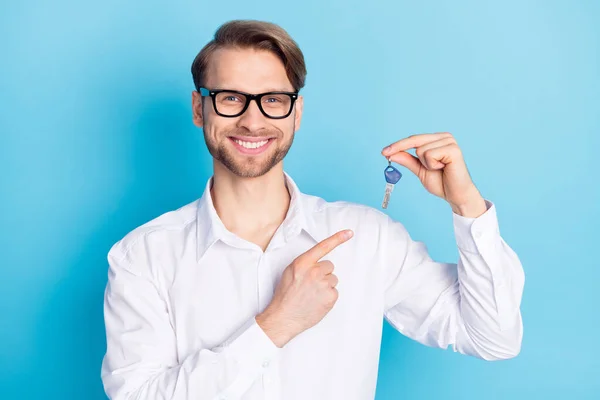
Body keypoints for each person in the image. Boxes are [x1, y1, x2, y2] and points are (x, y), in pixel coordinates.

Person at [100, 19, 525, 400]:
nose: (252, 121)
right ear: (199, 108)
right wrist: (275, 326)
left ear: (296, 112)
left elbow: (493, 338)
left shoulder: (367, 238)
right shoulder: (143, 257)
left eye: (273, 99)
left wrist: (467, 206)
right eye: (231, 98)